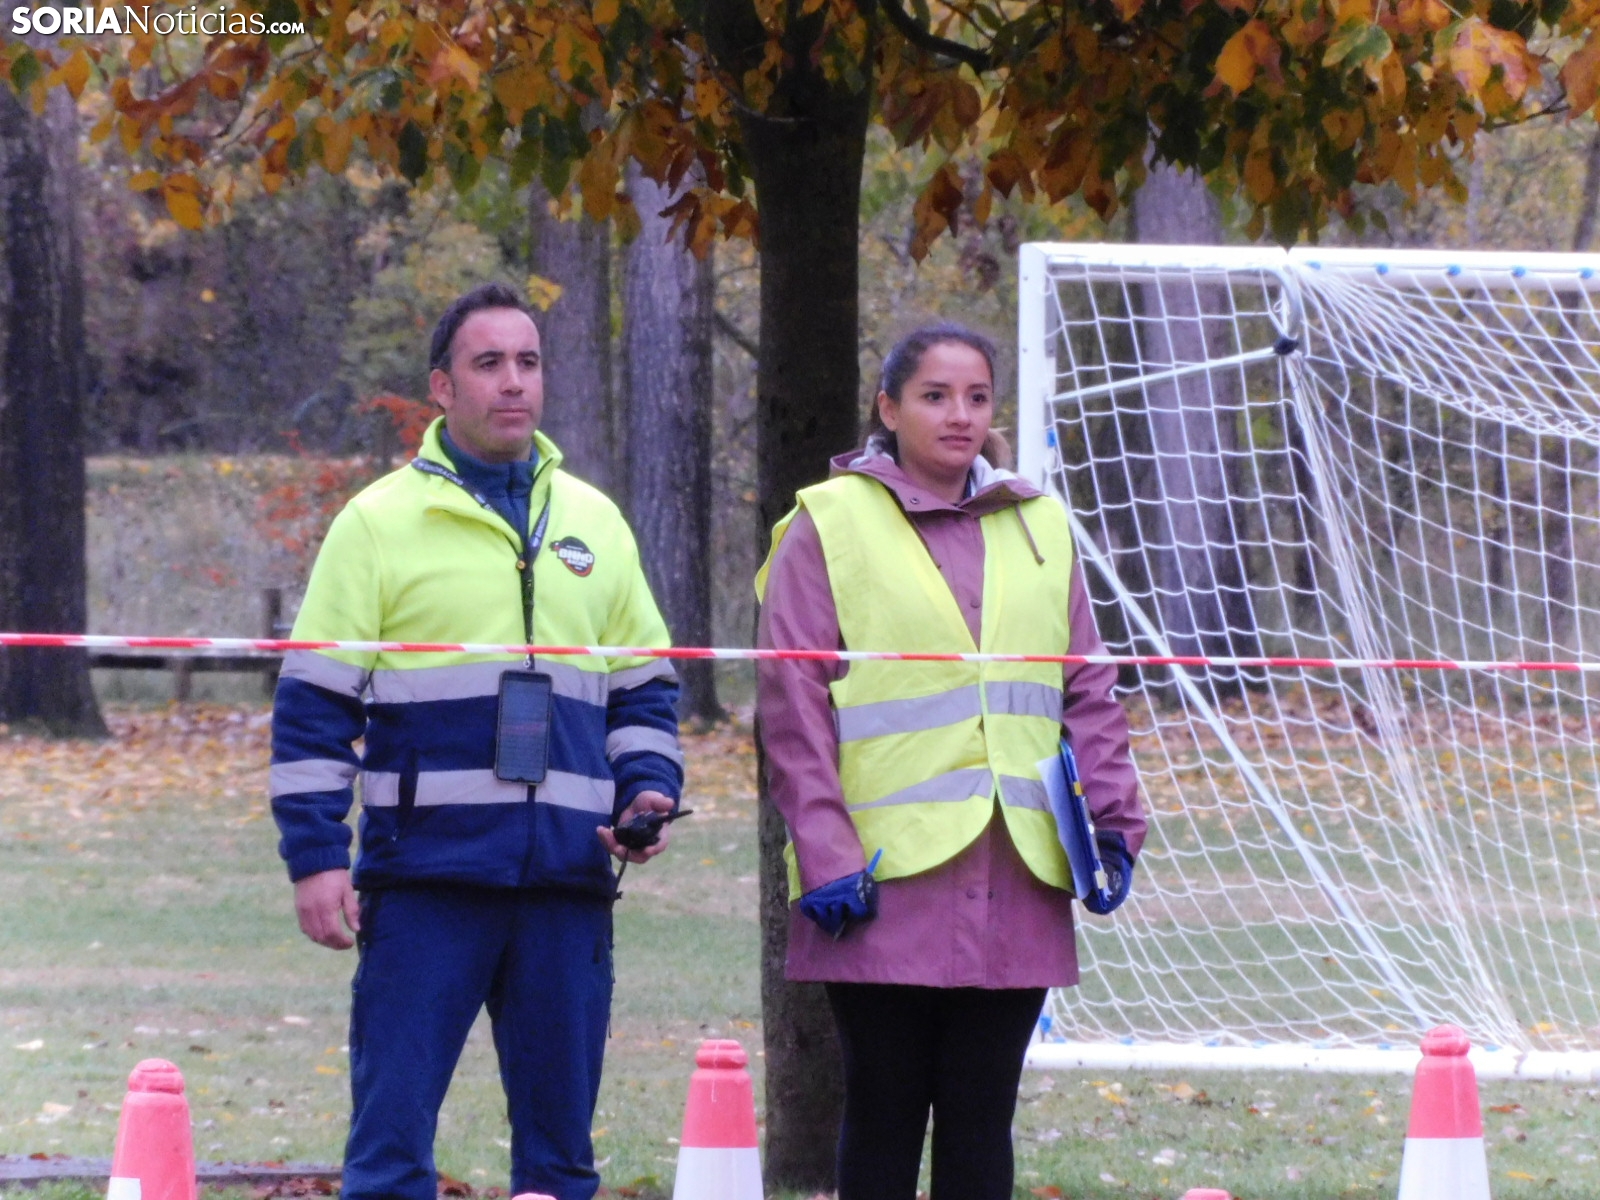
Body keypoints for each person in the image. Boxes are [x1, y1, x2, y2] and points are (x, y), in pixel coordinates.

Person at [269, 283, 684, 1200]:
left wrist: (646, 790)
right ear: (442, 387)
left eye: (528, 362)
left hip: (568, 882)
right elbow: (314, 704)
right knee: (388, 1157)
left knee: (561, 1166)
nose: (513, 382)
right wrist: (315, 855)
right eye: (488, 363)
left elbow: (644, 685)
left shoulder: (596, 522)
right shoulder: (377, 523)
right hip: (425, 883)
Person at [754, 322, 1146, 1200]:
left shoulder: (1042, 524)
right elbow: (791, 703)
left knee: (981, 1117)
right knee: (884, 1111)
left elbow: (1087, 688)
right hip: (879, 881)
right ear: (888, 409)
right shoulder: (828, 522)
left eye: (976, 397)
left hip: (1018, 870)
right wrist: (827, 852)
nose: (959, 415)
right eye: (934, 396)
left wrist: (1115, 826)